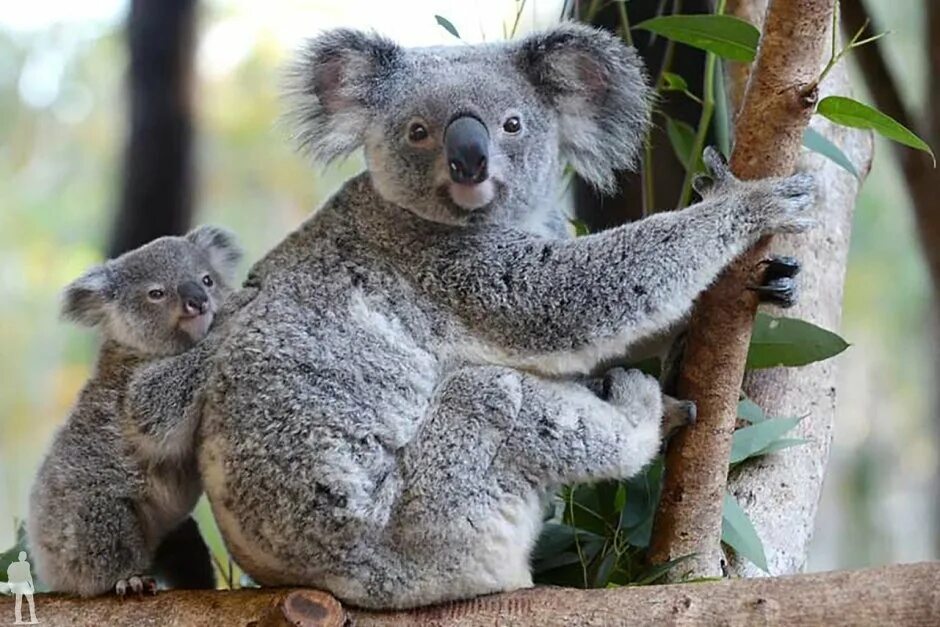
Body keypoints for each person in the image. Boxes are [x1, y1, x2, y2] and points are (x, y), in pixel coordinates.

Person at [7, 551, 38, 625]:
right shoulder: (16, 565)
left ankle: (31, 617)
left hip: (25, 585)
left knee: (29, 602)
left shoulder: (25, 564)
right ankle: (19, 619)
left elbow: (28, 576)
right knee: (20, 602)